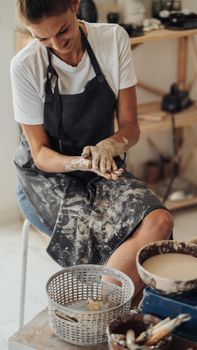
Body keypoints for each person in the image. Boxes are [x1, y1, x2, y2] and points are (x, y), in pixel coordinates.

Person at [11, 0, 173, 304]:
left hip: (102, 164)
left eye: (63, 31)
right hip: (47, 175)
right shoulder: (24, 65)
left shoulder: (112, 39)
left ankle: (105, 312)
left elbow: (130, 128)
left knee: (159, 222)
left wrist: (109, 146)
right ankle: (110, 316)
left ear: (75, 5)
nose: (56, 45)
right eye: (42, 39)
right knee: (104, 240)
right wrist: (80, 161)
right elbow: (40, 154)